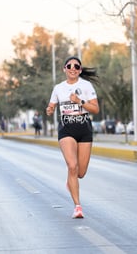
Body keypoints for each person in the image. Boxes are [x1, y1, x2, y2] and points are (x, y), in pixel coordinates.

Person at [46, 56, 99, 218]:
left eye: (76, 66)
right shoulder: (58, 88)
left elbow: (95, 109)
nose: (73, 68)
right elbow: (51, 106)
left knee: (80, 173)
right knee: (72, 166)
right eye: (69, 65)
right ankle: (77, 206)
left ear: (80, 70)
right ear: (64, 69)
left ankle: (71, 181)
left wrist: (80, 101)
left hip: (84, 129)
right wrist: (49, 109)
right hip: (66, 129)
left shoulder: (86, 86)